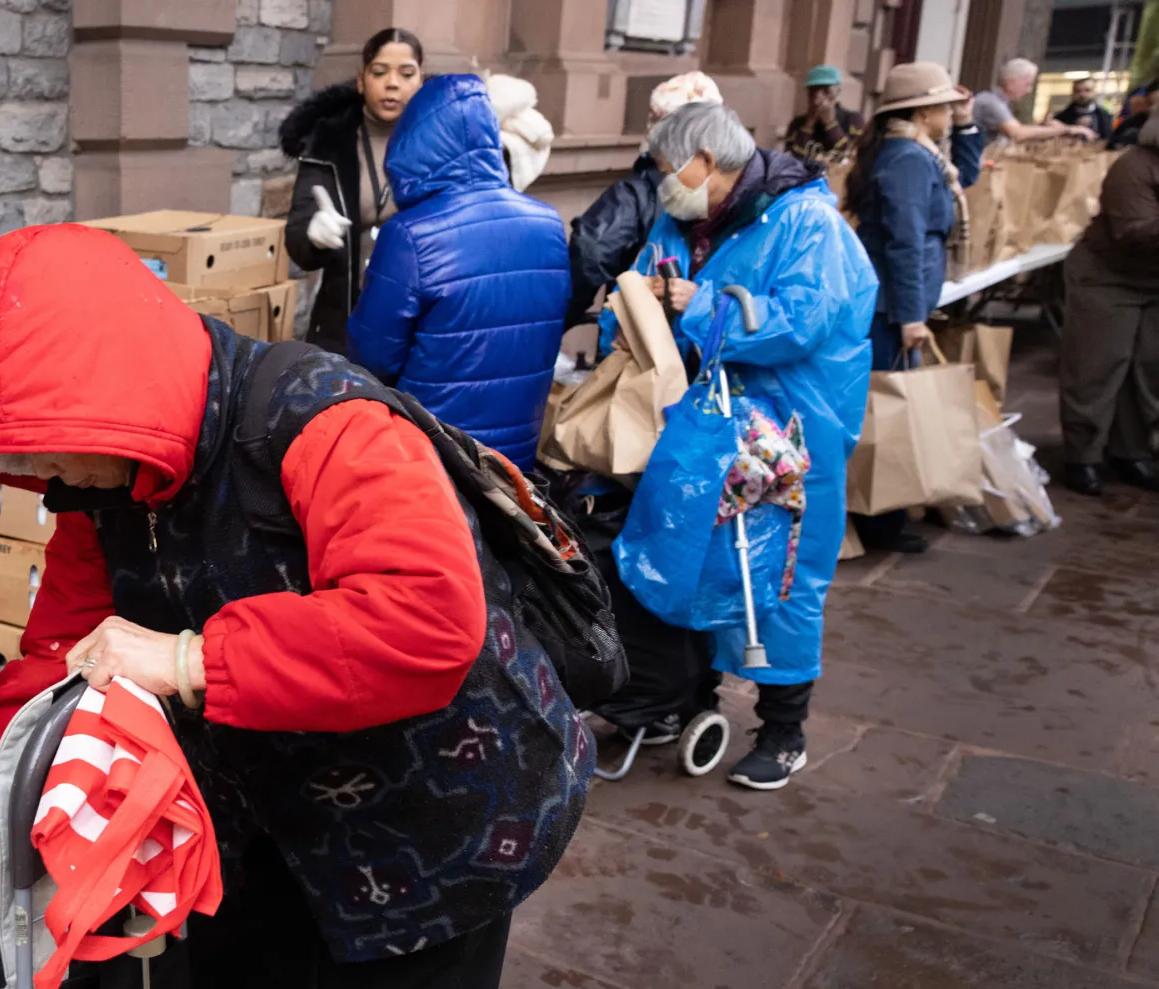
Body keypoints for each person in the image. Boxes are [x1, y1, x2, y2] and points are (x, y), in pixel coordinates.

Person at [0, 223, 592, 989]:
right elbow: (61, 653)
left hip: (434, 820)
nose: (41, 471)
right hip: (259, 818)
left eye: (46, 445)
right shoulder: (99, 481)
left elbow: (427, 618)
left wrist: (188, 660)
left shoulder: (321, 420)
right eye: (17, 455)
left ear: (113, 396)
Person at [630, 102, 877, 790]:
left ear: (703, 161)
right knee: (701, 558)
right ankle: (689, 702)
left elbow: (803, 321)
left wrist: (694, 304)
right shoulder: (681, 217)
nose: (659, 182)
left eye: (663, 166)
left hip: (793, 426)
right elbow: (657, 281)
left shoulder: (807, 221)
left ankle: (785, 729)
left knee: (786, 573)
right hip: (710, 420)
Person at [347, 74, 570, 468]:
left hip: (434, 452)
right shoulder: (548, 223)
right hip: (516, 453)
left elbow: (372, 355)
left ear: (415, 142)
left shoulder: (411, 235)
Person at [844, 63, 986, 551]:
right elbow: (904, 242)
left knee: (889, 409)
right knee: (888, 412)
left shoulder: (919, 154)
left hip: (898, 303)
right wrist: (910, 316)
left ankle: (885, 514)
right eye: (946, 107)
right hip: (891, 308)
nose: (950, 113)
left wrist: (967, 125)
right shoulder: (906, 159)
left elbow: (963, 177)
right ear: (923, 110)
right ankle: (879, 519)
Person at [279, 28, 424, 356]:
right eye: (379, 72)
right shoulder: (328, 143)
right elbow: (297, 238)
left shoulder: (441, 146)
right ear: (361, 81)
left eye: (406, 73)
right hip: (342, 327)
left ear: (421, 80)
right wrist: (313, 234)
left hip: (419, 329)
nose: (392, 83)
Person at [566, 71, 724, 333]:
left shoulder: (637, 193)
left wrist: (560, 319)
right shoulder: (730, 192)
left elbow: (591, 253)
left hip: (645, 348)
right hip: (702, 349)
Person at [1059, 114, 1159, 496]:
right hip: (1107, 278)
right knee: (1096, 368)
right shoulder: (1135, 166)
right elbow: (1133, 231)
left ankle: (1130, 453)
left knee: (1147, 370)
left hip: (1154, 282)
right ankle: (1082, 457)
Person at [974, 58, 1095, 144]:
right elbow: (1017, 133)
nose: (1029, 91)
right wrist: (1065, 130)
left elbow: (1017, 130)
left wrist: (1046, 129)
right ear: (1011, 83)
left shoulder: (998, 102)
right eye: (1027, 84)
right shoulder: (991, 103)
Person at [783, 65, 866, 165]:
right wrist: (808, 125)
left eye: (826, 91)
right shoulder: (797, 124)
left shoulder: (854, 119)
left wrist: (831, 124)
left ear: (837, 92)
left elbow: (852, 158)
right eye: (813, 92)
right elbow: (791, 161)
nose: (817, 100)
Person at [1109, 85, 1151, 150]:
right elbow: (1111, 144)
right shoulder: (1127, 123)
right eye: (1134, 103)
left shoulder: (1151, 122)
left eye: (1140, 103)